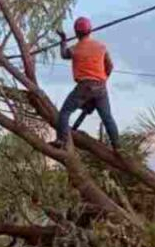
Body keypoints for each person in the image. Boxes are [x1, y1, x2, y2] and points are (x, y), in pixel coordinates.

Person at [51, 16, 120, 150]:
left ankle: (62, 140)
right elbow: (110, 66)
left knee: (65, 113)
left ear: (76, 33)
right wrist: (103, 79)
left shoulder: (75, 49)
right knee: (107, 118)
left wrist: (63, 40)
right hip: (100, 87)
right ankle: (117, 146)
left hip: (84, 87)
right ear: (90, 31)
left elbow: (64, 54)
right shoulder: (101, 47)